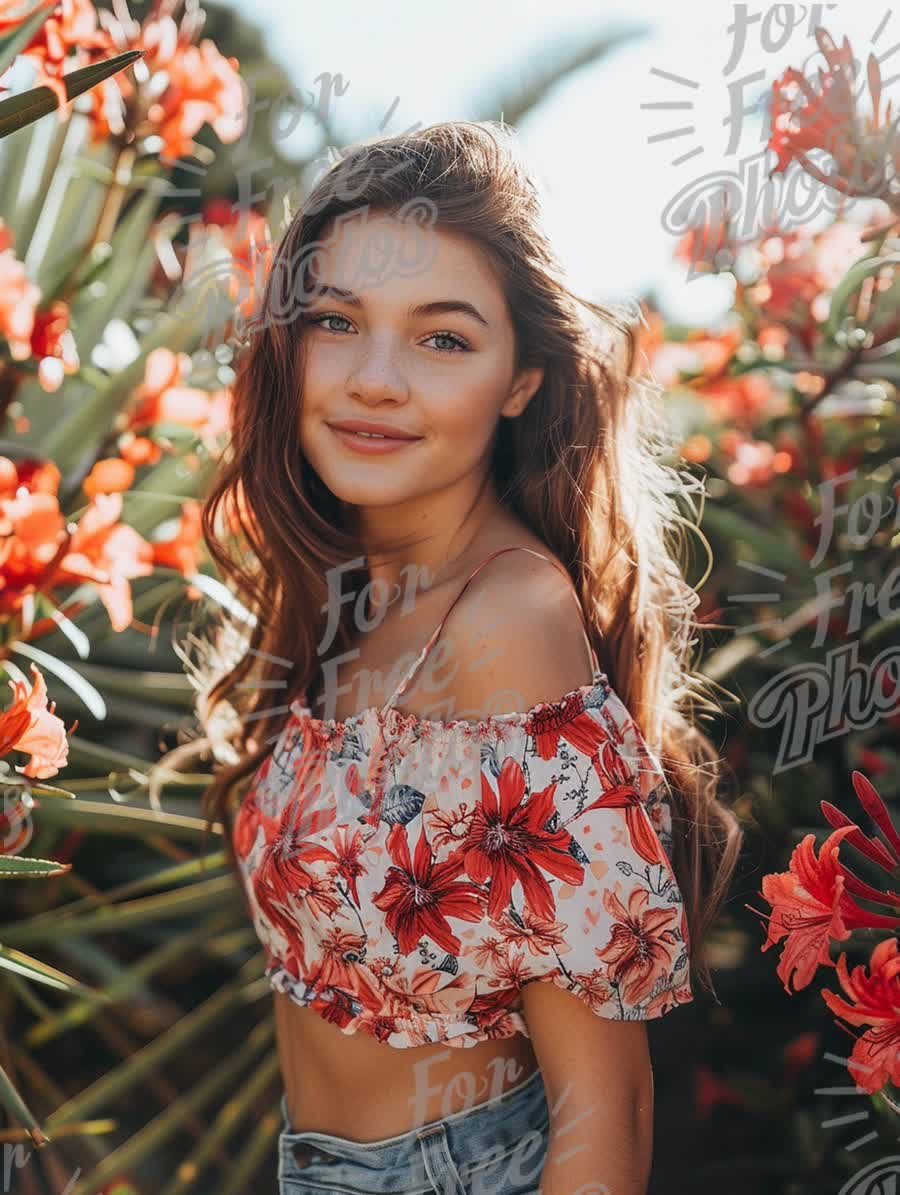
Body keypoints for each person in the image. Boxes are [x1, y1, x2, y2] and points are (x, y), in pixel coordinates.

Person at [198, 120, 742, 1195]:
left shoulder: (504, 622)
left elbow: (608, 1108)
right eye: (338, 322)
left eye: (442, 338)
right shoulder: (352, 585)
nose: (375, 380)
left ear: (523, 379)